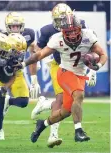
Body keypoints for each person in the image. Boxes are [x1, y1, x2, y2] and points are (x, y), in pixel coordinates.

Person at [16, 14, 107, 144]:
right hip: (65, 72)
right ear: (62, 31)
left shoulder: (88, 35)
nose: (72, 35)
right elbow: (40, 54)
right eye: (68, 32)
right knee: (79, 95)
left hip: (80, 75)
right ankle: (79, 131)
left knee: (66, 111)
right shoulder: (57, 39)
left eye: (75, 31)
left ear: (80, 29)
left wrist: (96, 66)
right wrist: (24, 63)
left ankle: (43, 124)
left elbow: (102, 54)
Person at [30, 3, 98, 148]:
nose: (64, 23)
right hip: (59, 65)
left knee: (67, 108)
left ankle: (44, 112)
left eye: (65, 19)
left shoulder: (81, 26)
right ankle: (55, 135)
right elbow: (38, 48)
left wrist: (93, 69)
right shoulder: (48, 30)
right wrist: (36, 67)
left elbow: (93, 48)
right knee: (65, 98)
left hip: (78, 68)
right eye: (59, 20)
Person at [0, 12, 40, 140]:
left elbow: (33, 51)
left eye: (17, 26)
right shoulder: (1, 38)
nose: (15, 29)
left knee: (24, 101)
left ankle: (10, 101)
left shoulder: (28, 34)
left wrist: (34, 76)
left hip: (17, 72)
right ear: (8, 27)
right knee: (0, 100)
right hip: (1, 73)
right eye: (12, 26)